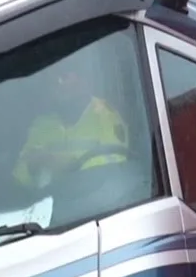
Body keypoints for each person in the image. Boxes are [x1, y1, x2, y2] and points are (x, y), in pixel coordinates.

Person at [11, 52, 131, 191]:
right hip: (50, 207)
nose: (57, 83)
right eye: (52, 79)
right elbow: (20, 177)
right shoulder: (41, 124)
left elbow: (114, 168)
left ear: (84, 80)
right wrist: (32, 167)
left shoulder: (105, 115)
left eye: (63, 76)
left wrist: (67, 164)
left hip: (99, 203)